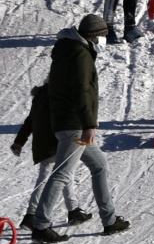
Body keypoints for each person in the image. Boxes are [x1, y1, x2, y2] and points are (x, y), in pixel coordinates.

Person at [35, 14, 131, 242]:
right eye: (103, 36)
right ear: (94, 36)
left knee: (99, 165)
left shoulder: (67, 50)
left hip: (68, 121)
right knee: (62, 174)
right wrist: (88, 123)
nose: (104, 41)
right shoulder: (80, 55)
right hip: (74, 124)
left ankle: (109, 220)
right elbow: (81, 92)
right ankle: (40, 224)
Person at [10, 83, 94, 231]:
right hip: (56, 140)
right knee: (58, 175)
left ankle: (72, 211)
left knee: (61, 174)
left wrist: (19, 141)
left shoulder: (41, 95)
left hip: (43, 143)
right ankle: (32, 216)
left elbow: (30, 120)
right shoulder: (59, 93)